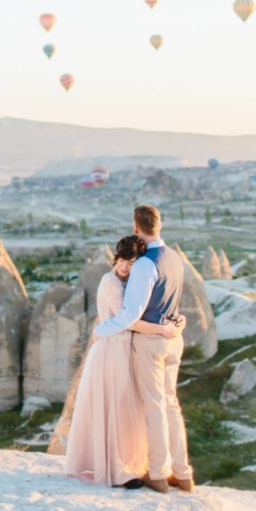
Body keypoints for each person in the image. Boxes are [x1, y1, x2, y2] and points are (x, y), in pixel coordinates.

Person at [64, 235, 181, 486]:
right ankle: (116, 473)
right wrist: (164, 330)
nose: (125, 267)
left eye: (131, 262)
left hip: (124, 349)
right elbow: (128, 320)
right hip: (111, 350)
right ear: (115, 259)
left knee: (127, 411)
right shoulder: (111, 283)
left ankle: (127, 465)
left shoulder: (128, 283)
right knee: (115, 409)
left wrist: (175, 320)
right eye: (122, 261)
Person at [92, 205, 194, 493]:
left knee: (155, 405)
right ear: (160, 225)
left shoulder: (145, 264)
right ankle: (183, 473)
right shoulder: (175, 258)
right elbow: (171, 301)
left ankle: (159, 473)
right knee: (171, 404)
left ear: (136, 227)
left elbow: (131, 314)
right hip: (174, 338)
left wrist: (101, 330)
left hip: (152, 342)